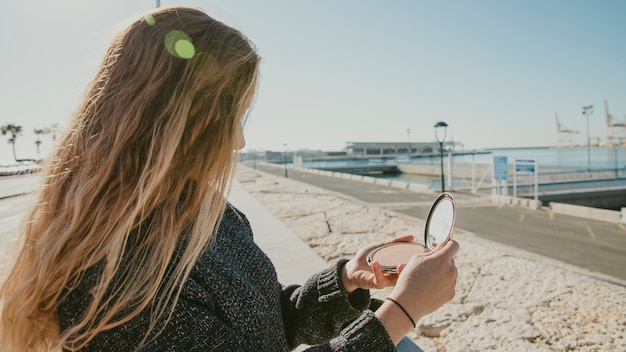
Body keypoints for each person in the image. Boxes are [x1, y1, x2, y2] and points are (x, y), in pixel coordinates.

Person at [0, 6, 458, 351]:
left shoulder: (201, 207)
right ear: (179, 123)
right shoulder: (111, 276)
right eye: (232, 118)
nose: (239, 141)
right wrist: (401, 313)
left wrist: (344, 283)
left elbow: (263, 324)